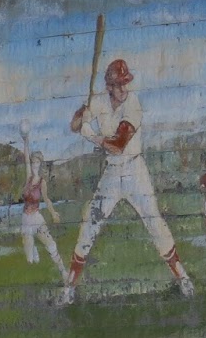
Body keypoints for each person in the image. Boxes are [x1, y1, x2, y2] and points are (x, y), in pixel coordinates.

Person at [61, 58, 193, 304]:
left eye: (125, 83)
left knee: (155, 223)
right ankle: (69, 287)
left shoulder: (133, 104)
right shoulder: (99, 102)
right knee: (90, 224)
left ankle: (182, 277)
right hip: (111, 174)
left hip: (134, 171)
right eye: (118, 84)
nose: (123, 88)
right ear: (109, 86)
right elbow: (73, 126)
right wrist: (81, 114)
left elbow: (118, 146)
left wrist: (91, 135)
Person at [18, 123, 68, 282]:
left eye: (37, 163)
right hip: (26, 219)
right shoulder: (28, 178)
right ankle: (32, 249)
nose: (34, 166)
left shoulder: (42, 182)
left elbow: (46, 199)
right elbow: (25, 158)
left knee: (51, 246)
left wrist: (53, 213)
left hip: (37, 218)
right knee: (30, 261)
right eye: (33, 163)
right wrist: (25, 140)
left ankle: (63, 271)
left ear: (40, 165)